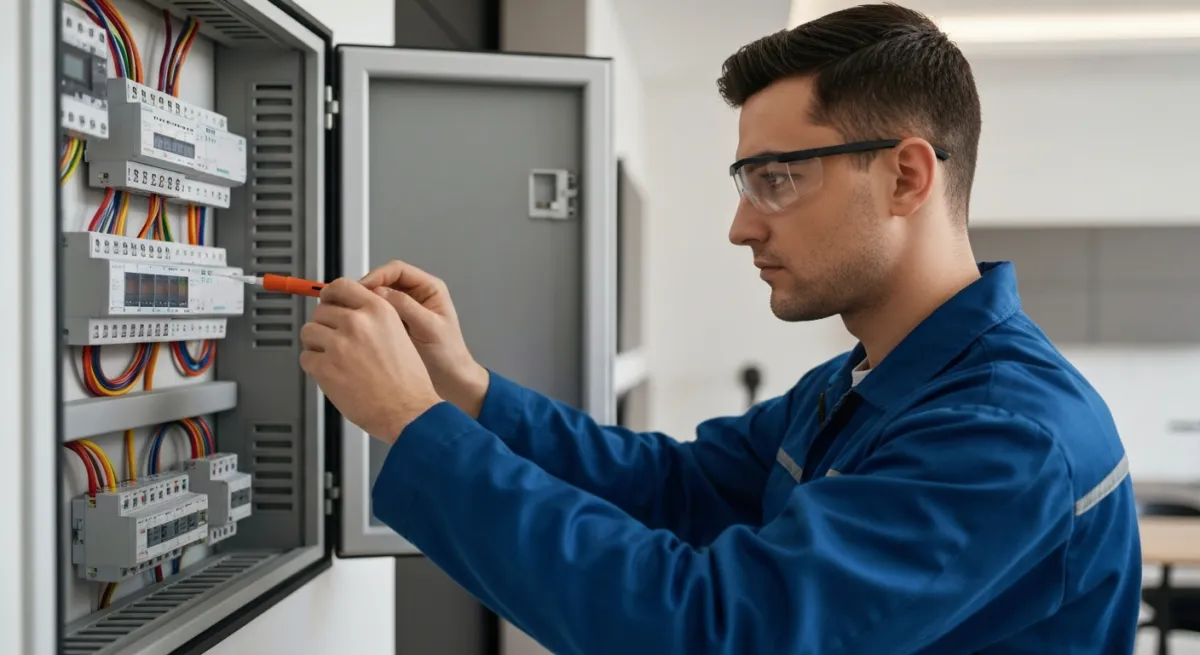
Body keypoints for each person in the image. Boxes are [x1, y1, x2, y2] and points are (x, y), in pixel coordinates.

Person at [298, 4, 1141, 653]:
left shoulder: (1003, 436)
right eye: (747, 182)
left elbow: (714, 631)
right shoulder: (868, 380)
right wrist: (466, 390)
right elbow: (677, 488)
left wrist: (414, 424)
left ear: (906, 175)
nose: (741, 227)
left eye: (776, 179)